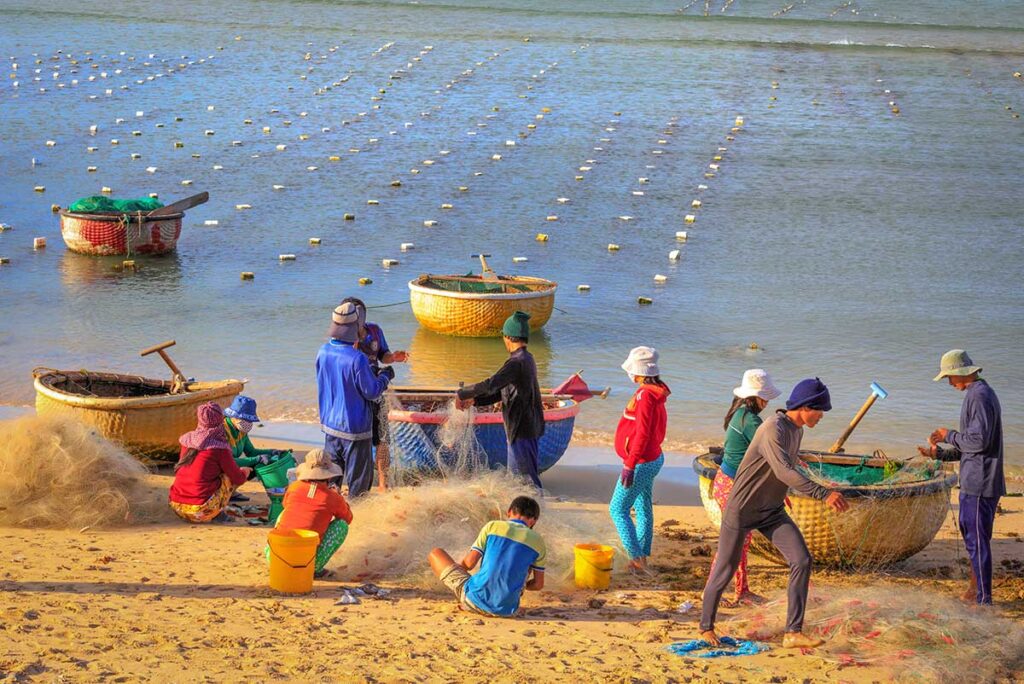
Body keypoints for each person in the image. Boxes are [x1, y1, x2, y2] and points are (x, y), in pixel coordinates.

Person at [699, 378, 850, 649]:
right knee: (726, 568)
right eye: (820, 410)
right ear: (805, 407)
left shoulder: (797, 430)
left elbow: (786, 471)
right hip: (742, 509)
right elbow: (783, 471)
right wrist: (823, 493)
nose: (822, 416)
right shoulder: (773, 427)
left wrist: (792, 493)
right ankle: (705, 627)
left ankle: (793, 632)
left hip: (771, 511)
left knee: (802, 560)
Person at [920, 349, 1004, 605]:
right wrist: (940, 454)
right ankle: (974, 590)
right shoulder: (978, 394)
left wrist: (949, 434)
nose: (948, 382)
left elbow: (978, 442)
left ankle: (983, 600)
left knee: (977, 541)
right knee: (972, 538)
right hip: (974, 480)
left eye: (949, 377)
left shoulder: (979, 396)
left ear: (960, 374)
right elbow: (972, 445)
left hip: (980, 482)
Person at [712, 369, 782, 606]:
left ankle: (741, 590)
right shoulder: (751, 421)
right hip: (735, 486)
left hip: (726, 482)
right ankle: (714, 591)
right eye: (766, 398)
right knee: (732, 542)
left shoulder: (738, 413)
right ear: (756, 397)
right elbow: (770, 455)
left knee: (738, 540)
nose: (768, 403)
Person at [456, 311, 545, 488]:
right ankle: (532, 511)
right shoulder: (527, 359)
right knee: (521, 479)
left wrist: (462, 393)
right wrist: (476, 401)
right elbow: (502, 392)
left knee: (524, 482)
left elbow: (491, 384)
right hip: (529, 427)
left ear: (507, 337)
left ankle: (536, 512)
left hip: (521, 429)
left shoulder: (516, 362)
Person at [316, 301, 394, 497]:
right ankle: (355, 520)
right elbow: (372, 391)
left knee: (332, 482)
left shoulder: (323, 351)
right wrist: (386, 376)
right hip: (355, 427)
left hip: (330, 426)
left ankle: (330, 515)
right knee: (358, 488)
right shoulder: (356, 358)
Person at [428, 496, 546, 617]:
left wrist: (458, 569)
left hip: (472, 600)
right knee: (526, 564)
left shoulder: (493, 526)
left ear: (509, 511)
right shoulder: (539, 542)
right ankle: (504, 598)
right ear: (534, 521)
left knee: (436, 553)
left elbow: (469, 564)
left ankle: (471, 598)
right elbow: (538, 585)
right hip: (507, 610)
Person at [609, 346, 671, 574]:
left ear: (639, 372)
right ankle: (642, 557)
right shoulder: (655, 392)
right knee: (642, 506)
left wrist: (630, 463)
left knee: (617, 509)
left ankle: (636, 558)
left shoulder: (646, 396)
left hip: (642, 461)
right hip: (653, 457)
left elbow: (643, 432)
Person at [344, 297, 408, 493]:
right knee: (354, 438)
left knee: (382, 438)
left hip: (377, 389)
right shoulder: (345, 337)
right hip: (356, 394)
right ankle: (352, 481)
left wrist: (393, 358)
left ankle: (382, 482)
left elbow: (383, 355)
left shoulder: (374, 331)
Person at [269, 449, 353, 578]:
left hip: (275, 556)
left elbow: (286, 505)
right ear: (329, 475)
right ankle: (315, 568)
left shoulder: (294, 486)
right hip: (305, 563)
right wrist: (339, 498)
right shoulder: (332, 497)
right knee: (341, 525)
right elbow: (347, 518)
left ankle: (275, 555)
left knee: (285, 513)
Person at [169, 402, 251, 523]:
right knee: (227, 476)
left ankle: (212, 508)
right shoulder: (219, 448)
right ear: (220, 420)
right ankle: (217, 514)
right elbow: (238, 479)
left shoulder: (187, 440)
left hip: (176, 506)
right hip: (200, 510)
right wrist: (246, 471)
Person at [223, 395, 285, 502]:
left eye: (249, 420)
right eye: (243, 419)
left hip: (231, 467)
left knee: (259, 463)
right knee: (256, 461)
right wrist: (257, 459)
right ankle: (224, 491)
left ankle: (231, 491)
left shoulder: (241, 432)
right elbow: (227, 461)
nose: (247, 423)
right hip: (221, 468)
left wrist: (272, 452)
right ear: (233, 416)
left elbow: (251, 452)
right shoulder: (222, 431)